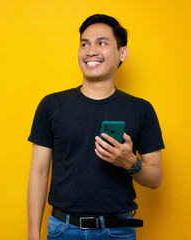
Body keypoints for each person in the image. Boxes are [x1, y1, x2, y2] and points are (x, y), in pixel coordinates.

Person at [27, 14, 164, 240]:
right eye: (84, 43)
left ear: (123, 52)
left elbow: (155, 178)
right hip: (62, 230)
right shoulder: (51, 105)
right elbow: (39, 172)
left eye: (102, 43)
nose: (91, 50)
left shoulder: (141, 109)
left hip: (118, 231)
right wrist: (33, 233)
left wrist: (130, 162)